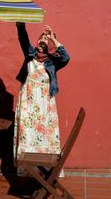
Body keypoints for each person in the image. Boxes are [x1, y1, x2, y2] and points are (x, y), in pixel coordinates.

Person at [13, 22, 70, 176]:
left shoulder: (53, 62)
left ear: (50, 45)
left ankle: (46, 169)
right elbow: (23, 38)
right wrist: (20, 24)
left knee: (45, 134)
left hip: (45, 106)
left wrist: (53, 38)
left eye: (46, 39)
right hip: (28, 105)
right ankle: (27, 169)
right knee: (28, 133)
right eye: (41, 37)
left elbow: (66, 57)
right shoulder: (29, 55)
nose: (42, 40)